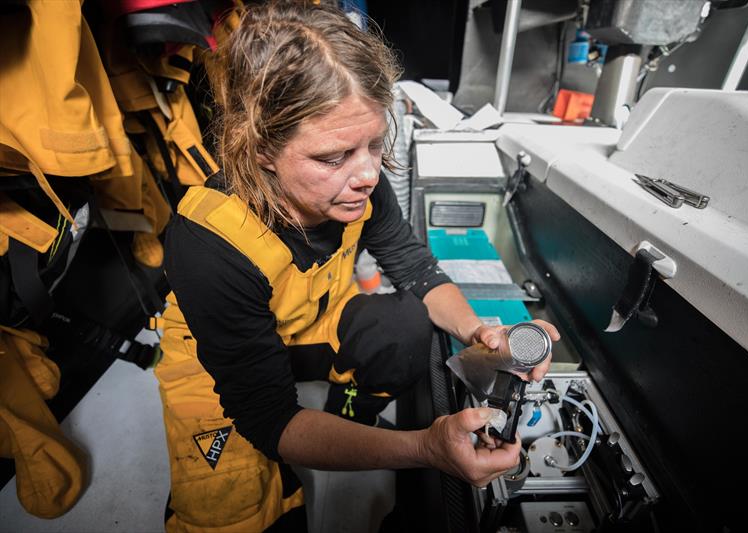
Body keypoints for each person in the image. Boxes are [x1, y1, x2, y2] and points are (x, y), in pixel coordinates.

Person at [158, 2, 561, 532]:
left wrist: (483, 333)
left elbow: (414, 267)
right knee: (241, 513)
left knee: (408, 324)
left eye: (374, 143)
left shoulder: (360, 182)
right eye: (334, 157)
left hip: (309, 321)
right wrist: (425, 447)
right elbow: (269, 420)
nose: (368, 173)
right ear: (260, 149)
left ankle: (347, 412)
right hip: (215, 362)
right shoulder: (206, 244)